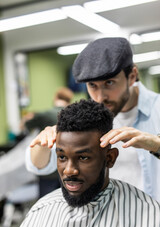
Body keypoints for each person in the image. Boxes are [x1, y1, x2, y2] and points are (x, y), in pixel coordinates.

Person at [26, 37, 160, 202]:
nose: (100, 97)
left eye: (109, 83)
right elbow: (38, 165)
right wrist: (43, 144)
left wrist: (156, 145)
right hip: (109, 219)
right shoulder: (88, 118)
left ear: (132, 76)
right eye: (92, 86)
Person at [13, 100, 160, 227]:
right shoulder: (42, 210)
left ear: (110, 158)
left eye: (83, 158)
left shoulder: (148, 215)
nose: (69, 171)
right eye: (62, 157)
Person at [24, 87, 73, 197]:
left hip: (47, 172)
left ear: (55, 98)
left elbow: (26, 125)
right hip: (68, 170)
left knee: (47, 206)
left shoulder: (44, 115)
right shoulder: (74, 117)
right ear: (69, 101)